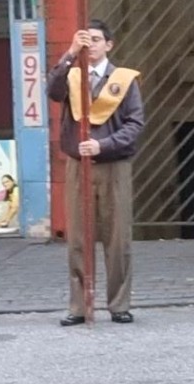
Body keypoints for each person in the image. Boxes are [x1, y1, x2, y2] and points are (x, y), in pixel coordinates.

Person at [47, 20, 146, 326]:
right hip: (79, 165)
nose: (90, 45)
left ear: (109, 44)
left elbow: (135, 123)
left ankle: (119, 304)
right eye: (85, 40)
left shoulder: (124, 80)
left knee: (118, 237)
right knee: (78, 237)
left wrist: (104, 144)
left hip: (113, 164)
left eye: (96, 40)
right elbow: (53, 91)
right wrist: (69, 53)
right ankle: (79, 305)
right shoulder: (72, 75)